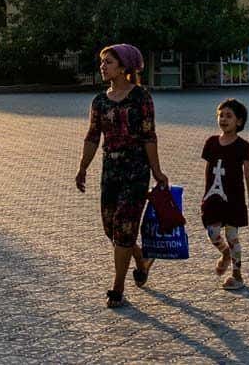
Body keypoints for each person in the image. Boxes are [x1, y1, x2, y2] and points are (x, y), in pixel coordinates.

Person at [76, 44, 169, 308]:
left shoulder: (141, 97)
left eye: (109, 62)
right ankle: (140, 259)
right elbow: (93, 136)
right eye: (102, 62)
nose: (103, 66)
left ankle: (118, 287)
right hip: (111, 170)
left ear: (124, 66)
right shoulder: (99, 101)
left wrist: (157, 171)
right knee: (112, 228)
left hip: (136, 170)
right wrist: (83, 168)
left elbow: (149, 135)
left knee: (126, 226)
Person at [201, 99, 249, 290]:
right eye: (221, 115)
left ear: (239, 121)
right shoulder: (211, 142)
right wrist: (206, 192)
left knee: (232, 236)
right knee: (212, 231)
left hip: (234, 198)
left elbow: (248, 173)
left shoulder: (243, 146)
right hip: (213, 197)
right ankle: (224, 252)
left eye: (229, 116)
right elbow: (208, 169)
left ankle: (237, 275)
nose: (223, 119)